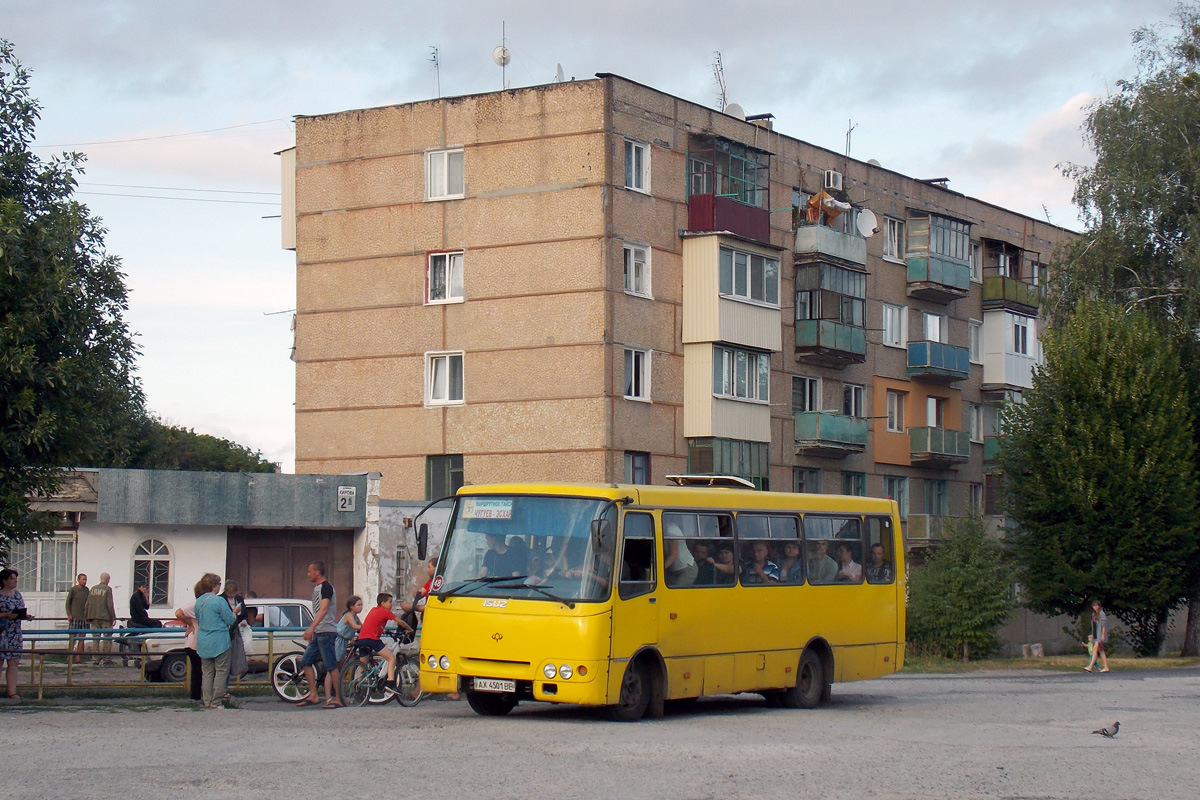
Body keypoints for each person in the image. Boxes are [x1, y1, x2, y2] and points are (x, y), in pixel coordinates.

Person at [298, 560, 343, 709]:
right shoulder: (318, 588)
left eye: (310, 571)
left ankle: (338, 698)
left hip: (326, 631)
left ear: (318, 572)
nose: (308, 574)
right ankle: (313, 694)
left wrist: (311, 628)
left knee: (331, 665)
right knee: (305, 661)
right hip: (319, 632)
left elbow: (323, 609)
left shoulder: (326, 587)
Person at [356, 592, 415, 696]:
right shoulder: (385, 612)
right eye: (389, 602)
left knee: (362, 664)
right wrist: (410, 629)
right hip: (372, 639)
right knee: (391, 658)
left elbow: (374, 623)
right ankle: (390, 683)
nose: (391, 604)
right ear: (382, 603)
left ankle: (356, 685)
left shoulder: (374, 610)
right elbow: (400, 622)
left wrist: (383, 630)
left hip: (361, 639)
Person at [194, 574, 236, 709]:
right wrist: (235, 612)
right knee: (221, 671)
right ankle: (216, 701)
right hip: (220, 641)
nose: (220, 587)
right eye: (219, 584)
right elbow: (230, 620)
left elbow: (199, 619)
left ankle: (206, 701)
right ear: (213, 586)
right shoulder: (219, 601)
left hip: (203, 641)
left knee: (207, 673)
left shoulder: (199, 601)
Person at [175, 574, 218, 703]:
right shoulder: (196, 604)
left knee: (199, 669)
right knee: (200, 669)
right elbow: (178, 613)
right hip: (195, 641)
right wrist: (190, 625)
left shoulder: (201, 604)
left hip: (197, 641)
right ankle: (197, 696)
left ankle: (197, 696)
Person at [1, 568, 30, 701]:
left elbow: (19, 610)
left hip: (15, 633)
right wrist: (6, 615)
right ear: (4, 581)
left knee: (14, 663)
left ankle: (11, 692)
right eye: (12, 579)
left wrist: (25, 616)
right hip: (2, 633)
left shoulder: (17, 595)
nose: (15, 581)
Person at [85, 572, 117, 665]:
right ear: (107, 579)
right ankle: (106, 659)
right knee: (107, 638)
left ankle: (95, 659)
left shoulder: (93, 589)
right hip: (105, 618)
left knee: (95, 639)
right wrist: (113, 617)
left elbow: (88, 603)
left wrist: (86, 615)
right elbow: (109, 604)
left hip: (94, 617)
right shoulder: (108, 589)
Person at [65, 573, 89, 662]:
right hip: (75, 617)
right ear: (78, 580)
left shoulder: (87, 590)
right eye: (83, 579)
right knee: (73, 638)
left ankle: (78, 657)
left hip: (84, 618)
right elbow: (68, 603)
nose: (84, 581)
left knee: (82, 638)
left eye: (85, 580)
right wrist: (69, 614)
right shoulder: (73, 590)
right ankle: (69, 656)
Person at [336, 595, 363, 664]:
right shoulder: (349, 615)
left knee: (341, 662)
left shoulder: (355, 617)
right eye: (358, 605)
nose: (361, 607)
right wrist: (366, 627)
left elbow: (361, 626)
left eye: (361, 605)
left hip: (345, 641)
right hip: (338, 641)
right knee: (335, 663)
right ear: (351, 606)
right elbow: (354, 626)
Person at [1085, 599, 1110, 673]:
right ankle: (1106, 667)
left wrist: (1103, 635)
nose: (1094, 607)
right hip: (1096, 635)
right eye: (1093, 605)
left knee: (1095, 650)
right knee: (1101, 652)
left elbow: (1103, 626)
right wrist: (1093, 635)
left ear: (1099, 606)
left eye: (1096, 605)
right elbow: (1094, 626)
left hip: (1100, 635)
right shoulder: (1094, 615)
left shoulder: (1102, 614)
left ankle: (1090, 667)